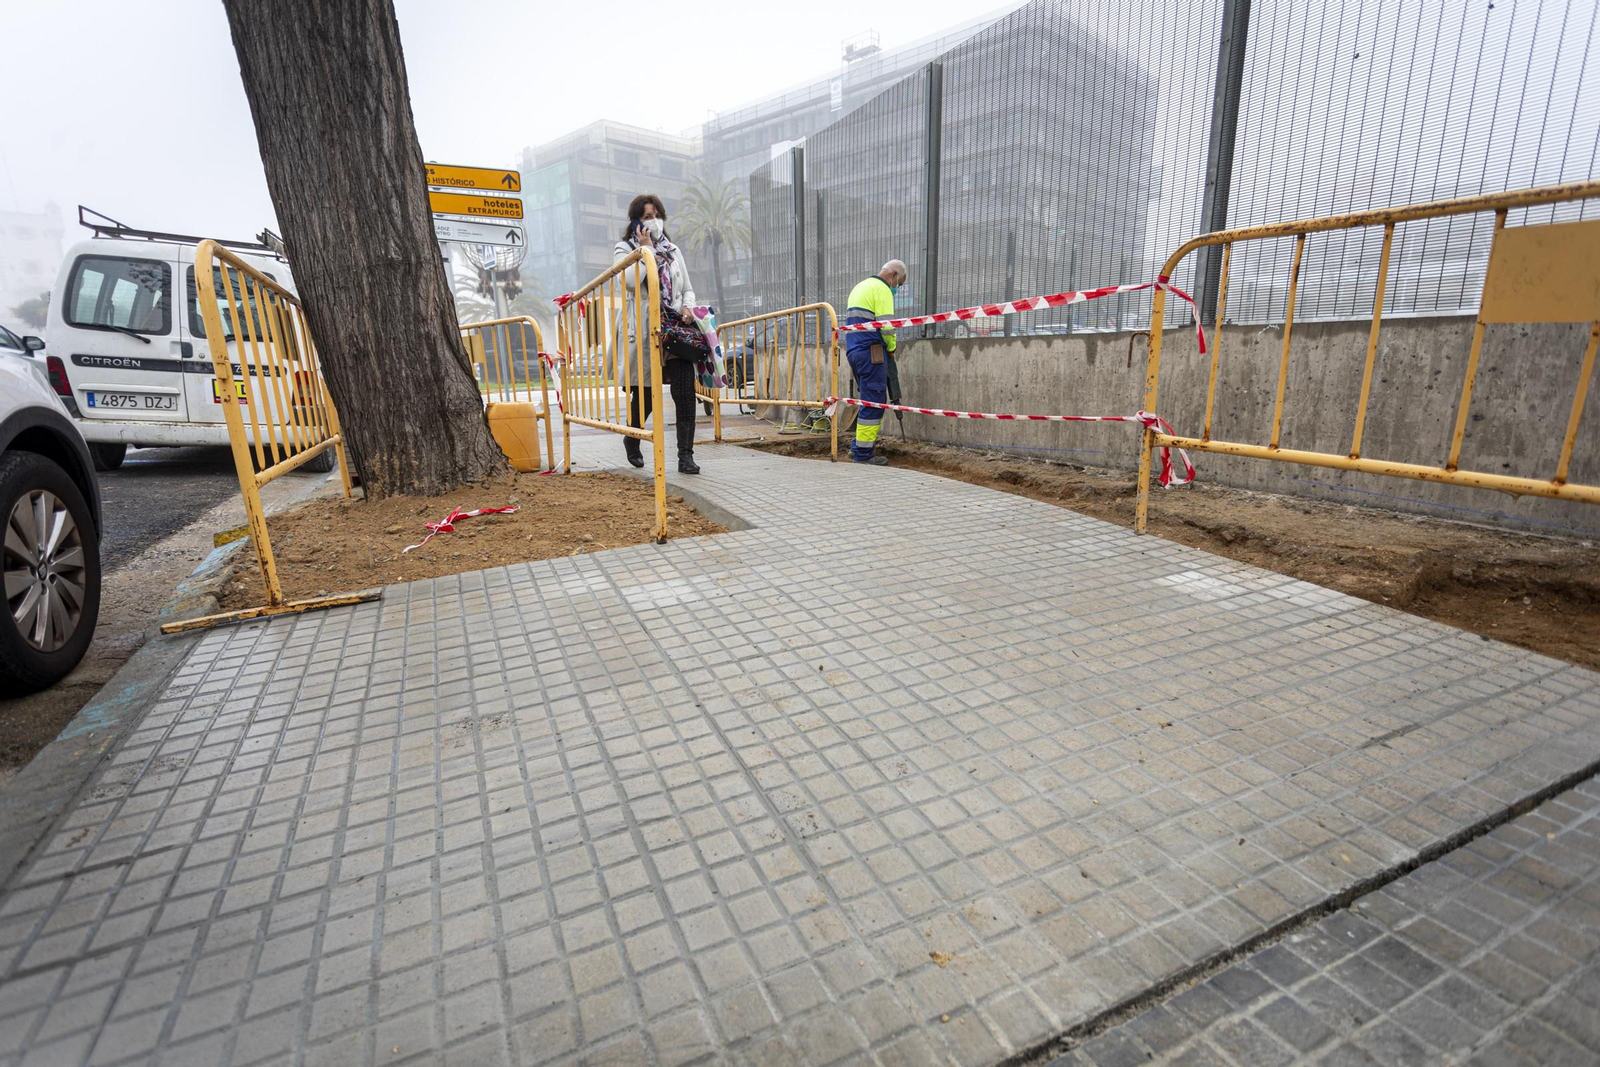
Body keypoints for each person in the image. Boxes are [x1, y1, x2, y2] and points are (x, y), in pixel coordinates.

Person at [614, 194, 703, 474]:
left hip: (676, 329)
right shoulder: (625, 249)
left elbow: (687, 287)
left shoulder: (674, 251)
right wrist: (646, 251)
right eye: (646, 216)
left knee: (685, 392)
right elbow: (630, 283)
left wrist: (688, 307)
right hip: (644, 330)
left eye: (656, 215)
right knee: (645, 395)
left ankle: (685, 456)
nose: (653, 221)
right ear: (635, 222)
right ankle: (633, 437)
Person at [842, 260, 907, 464]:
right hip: (872, 352)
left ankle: (857, 447)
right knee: (875, 402)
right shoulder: (882, 289)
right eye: (899, 284)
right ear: (894, 275)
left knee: (867, 400)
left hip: (854, 351)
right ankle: (863, 455)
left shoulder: (860, 287)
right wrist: (892, 347)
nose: (896, 288)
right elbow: (887, 327)